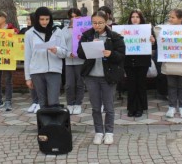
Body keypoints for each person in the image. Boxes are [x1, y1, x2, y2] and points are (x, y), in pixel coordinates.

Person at [77, 11, 125, 145]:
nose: (97, 25)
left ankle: (109, 132)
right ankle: (98, 132)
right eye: (94, 23)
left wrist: (111, 54)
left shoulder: (115, 37)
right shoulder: (87, 35)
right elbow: (80, 53)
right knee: (95, 107)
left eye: (100, 23)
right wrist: (90, 45)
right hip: (91, 76)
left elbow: (121, 56)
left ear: (106, 22)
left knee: (109, 106)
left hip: (108, 77)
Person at [24, 7, 67, 109]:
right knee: (42, 102)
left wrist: (56, 50)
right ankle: (44, 125)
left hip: (54, 71)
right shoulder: (30, 33)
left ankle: (55, 124)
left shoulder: (57, 31)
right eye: (42, 19)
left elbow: (64, 53)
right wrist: (28, 78)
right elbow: (27, 56)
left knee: (53, 102)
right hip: (36, 72)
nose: (45, 22)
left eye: (47, 19)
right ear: (37, 19)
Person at [124, 9, 156, 117]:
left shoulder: (147, 29)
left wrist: (152, 41)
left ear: (141, 18)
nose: (135, 19)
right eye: (133, 17)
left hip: (142, 61)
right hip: (128, 61)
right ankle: (131, 108)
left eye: (137, 17)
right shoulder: (125, 30)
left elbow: (154, 46)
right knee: (131, 85)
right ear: (130, 18)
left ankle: (140, 108)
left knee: (140, 84)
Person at [0, 11, 19, 111]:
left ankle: (8, 100)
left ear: (4, 18)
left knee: (8, 80)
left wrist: (15, 35)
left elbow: (18, 42)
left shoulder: (12, 29)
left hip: (7, 59)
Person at [62, 8, 85, 115]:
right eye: (72, 16)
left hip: (80, 60)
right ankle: (70, 103)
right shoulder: (64, 30)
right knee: (69, 84)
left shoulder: (84, 29)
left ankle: (78, 104)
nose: (74, 18)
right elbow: (61, 45)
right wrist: (67, 54)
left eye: (76, 16)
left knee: (80, 83)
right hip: (68, 60)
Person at [19, 13, 40, 113]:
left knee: (38, 83)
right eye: (26, 19)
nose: (27, 21)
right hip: (28, 59)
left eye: (29, 19)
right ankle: (34, 101)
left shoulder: (38, 31)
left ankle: (40, 102)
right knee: (31, 82)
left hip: (37, 60)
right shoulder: (24, 31)